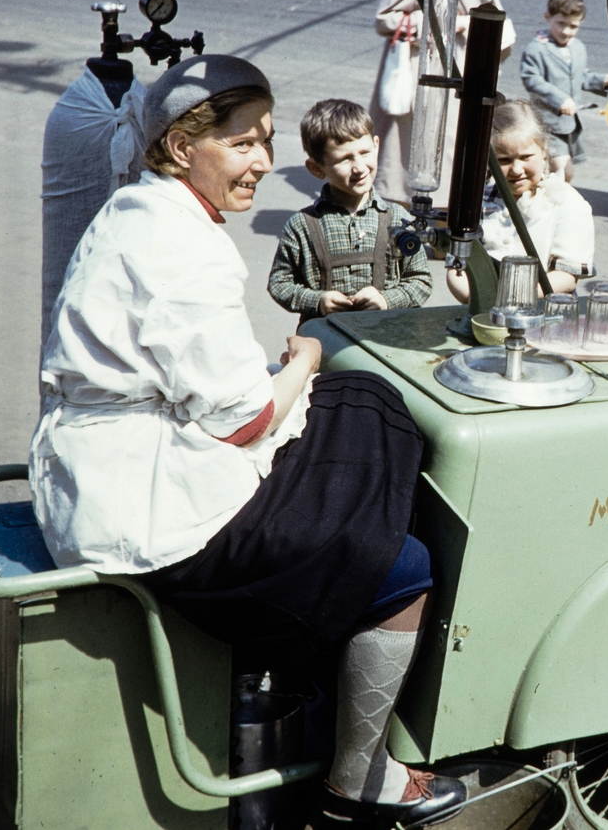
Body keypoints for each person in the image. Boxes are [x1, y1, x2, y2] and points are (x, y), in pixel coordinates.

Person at [32, 56, 467, 828]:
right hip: (153, 513)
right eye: (240, 144)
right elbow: (244, 420)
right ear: (177, 146)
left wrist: (303, 371)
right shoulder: (184, 251)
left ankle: (323, 637)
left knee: (365, 400)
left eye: (266, 141)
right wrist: (301, 359)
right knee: (403, 563)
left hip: (113, 464)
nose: (261, 161)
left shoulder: (143, 207)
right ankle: (360, 773)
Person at [369, 0, 515, 209]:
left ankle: (444, 217)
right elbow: (385, 19)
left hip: (462, 65)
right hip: (421, 70)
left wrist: (468, 24)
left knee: (453, 148)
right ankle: (400, 214)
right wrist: (436, 22)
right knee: (409, 151)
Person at [268, 100, 432, 324]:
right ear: (316, 168)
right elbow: (279, 283)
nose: (359, 167)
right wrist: (317, 300)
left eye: (364, 152)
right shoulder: (302, 225)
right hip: (324, 342)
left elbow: (420, 280)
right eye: (344, 159)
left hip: (387, 338)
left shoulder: (398, 219)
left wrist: (386, 300)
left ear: (376, 145)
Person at [446, 102, 596, 305]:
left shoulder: (567, 203)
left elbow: (566, 277)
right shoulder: (475, 201)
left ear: (544, 150)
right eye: (504, 160)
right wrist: (474, 298)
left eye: (526, 157)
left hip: (547, 315)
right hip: (481, 310)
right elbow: (457, 268)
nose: (516, 169)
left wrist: (507, 298)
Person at [518, 0, 608, 182]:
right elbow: (532, 79)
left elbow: (580, 76)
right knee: (562, 172)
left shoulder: (577, 47)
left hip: (570, 124)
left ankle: (544, 202)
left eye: (573, 26)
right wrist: (561, 99)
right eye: (560, 24)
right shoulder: (537, 49)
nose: (567, 31)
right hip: (547, 123)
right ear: (548, 17)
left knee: (555, 174)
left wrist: (604, 79)